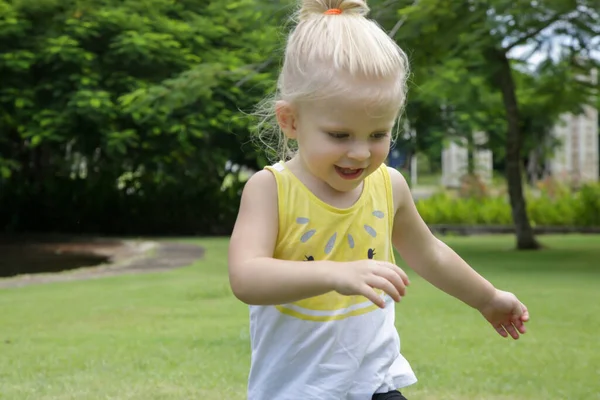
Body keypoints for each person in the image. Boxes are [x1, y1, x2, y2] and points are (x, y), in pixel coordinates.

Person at [227, 1, 530, 399]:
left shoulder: (389, 186)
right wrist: (336, 273)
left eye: (377, 134)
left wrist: (487, 298)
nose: (360, 153)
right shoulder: (271, 190)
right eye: (340, 135)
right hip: (299, 389)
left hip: (375, 382)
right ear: (291, 121)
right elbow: (246, 277)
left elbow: (430, 254)